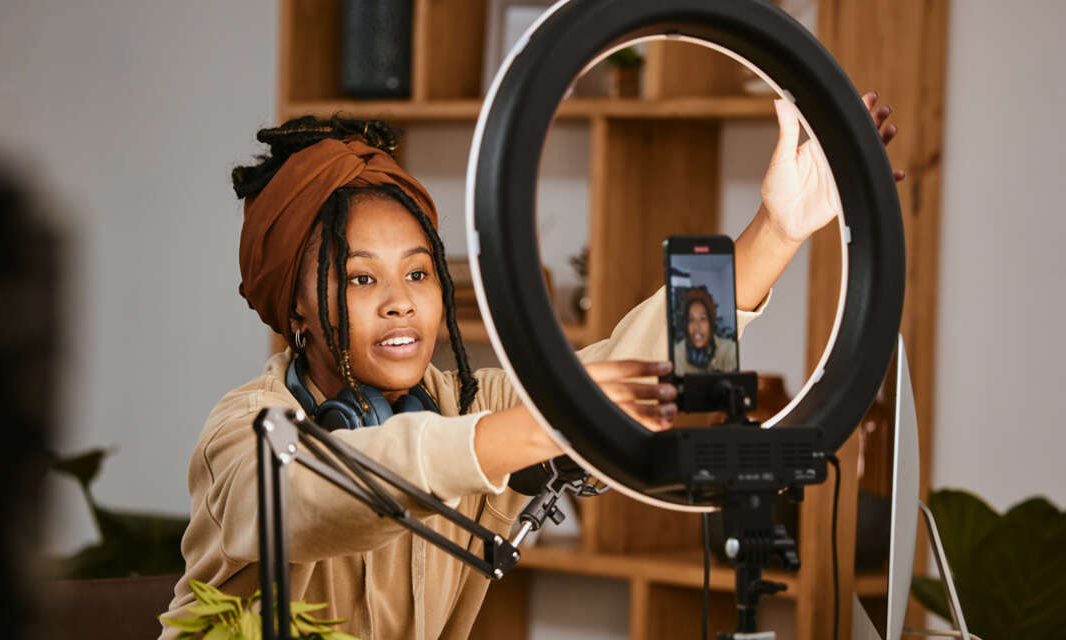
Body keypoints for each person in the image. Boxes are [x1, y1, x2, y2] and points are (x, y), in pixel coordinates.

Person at [159, 93, 899, 639]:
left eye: (419, 275)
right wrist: (525, 431)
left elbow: (628, 370)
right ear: (294, 305)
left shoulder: (470, 403)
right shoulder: (244, 434)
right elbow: (308, 492)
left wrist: (776, 230)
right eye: (360, 279)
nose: (400, 304)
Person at [674, 286, 738, 374]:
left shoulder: (730, 349)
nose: (696, 327)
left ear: (710, 323)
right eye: (691, 320)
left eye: (703, 318)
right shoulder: (678, 353)